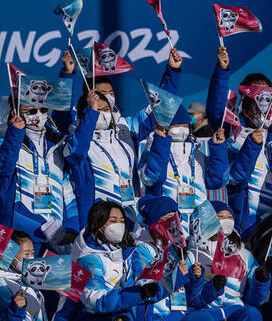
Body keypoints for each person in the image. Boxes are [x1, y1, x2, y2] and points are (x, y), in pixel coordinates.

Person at [52, 201, 145, 321]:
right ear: (99, 224)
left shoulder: (114, 252)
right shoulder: (89, 258)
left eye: (121, 220)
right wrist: (138, 295)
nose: (119, 224)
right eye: (113, 220)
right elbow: (98, 303)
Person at [204, 47, 272, 236]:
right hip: (247, 222)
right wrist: (222, 71)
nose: (263, 108)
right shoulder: (231, 126)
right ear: (246, 100)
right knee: (250, 264)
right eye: (258, 101)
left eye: (268, 101)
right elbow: (215, 109)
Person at [133, 195, 218, 321]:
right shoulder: (142, 251)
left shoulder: (179, 248)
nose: (172, 222)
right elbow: (147, 291)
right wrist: (178, 276)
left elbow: (192, 298)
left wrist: (196, 279)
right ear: (154, 223)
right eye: (165, 219)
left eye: (174, 217)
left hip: (177, 316)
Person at [187, 201, 271, 321]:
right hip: (209, 314)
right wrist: (210, 286)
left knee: (253, 314)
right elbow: (191, 297)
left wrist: (261, 281)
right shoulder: (194, 253)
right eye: (220, 217)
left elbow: (256, 300)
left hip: (234, 312)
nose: (226, 221)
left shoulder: (243, 254)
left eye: (229, 217)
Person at [0, 105, 78, 252]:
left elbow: (67, 188)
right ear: (14, 111)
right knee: (13, 276)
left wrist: (72, 226)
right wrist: (15, 132)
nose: (38, 115)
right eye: (31, 111)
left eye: (42, 110)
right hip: (19, 236)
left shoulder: (59, 143)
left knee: (55, 275)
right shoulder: (4, 138)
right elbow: (4, 169)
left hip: (56, 237)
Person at [138, 105, 228, 233]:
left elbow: (217, 181)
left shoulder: (197, 155)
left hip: (199, 225)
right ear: (165, 127)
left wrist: (218, 148)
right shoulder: (154, 149)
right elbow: (151, 178)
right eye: (175, 125)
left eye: (184, 125)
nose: (181, 129)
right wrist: (160, 143)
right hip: (168, 224)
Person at [64, 90, 138, 228]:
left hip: (127, 220)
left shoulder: (124, 145)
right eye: (97, 110)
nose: (102, 114)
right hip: (96, 221)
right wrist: (91, 115)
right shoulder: (81, 145)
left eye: (105, 109)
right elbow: (75, 153)